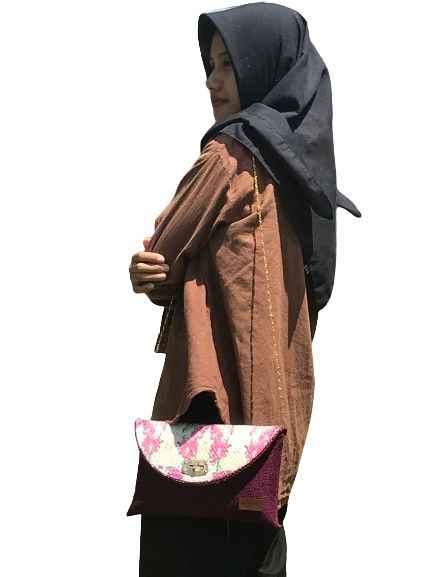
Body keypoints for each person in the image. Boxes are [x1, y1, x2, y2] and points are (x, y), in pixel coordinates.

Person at [128, 4, 337, 576]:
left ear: (263, 66)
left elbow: (164, 250)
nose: (212, 81)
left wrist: (148, 271)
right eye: (210, 65)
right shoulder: (306, 175)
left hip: (211, 433)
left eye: (228, 64)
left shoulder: (231, 154)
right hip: (270, 439)